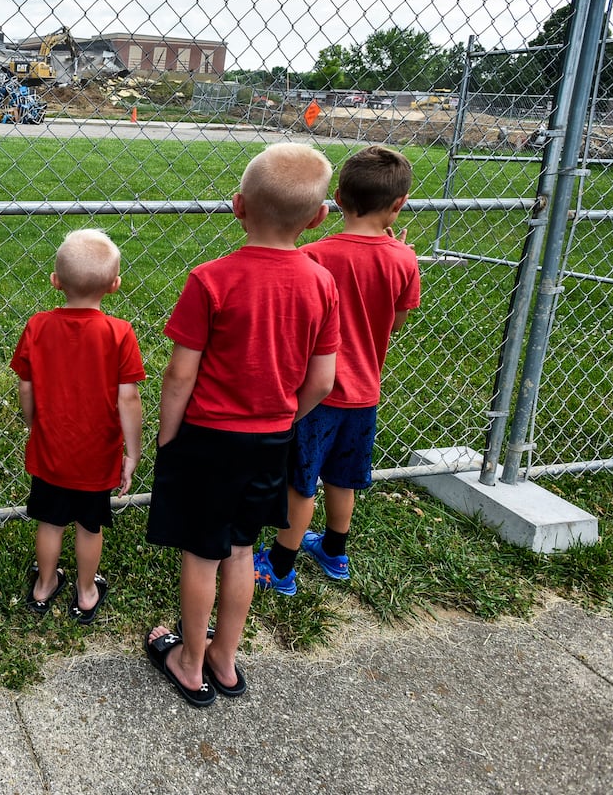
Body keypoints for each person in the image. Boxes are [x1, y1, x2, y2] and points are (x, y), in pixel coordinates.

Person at [142, 142, 339, 707]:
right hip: (270, 440)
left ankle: (188, 660)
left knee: (202, 553)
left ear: (237, 207)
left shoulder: (211, 280)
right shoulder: (321, 283)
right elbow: (323, 381)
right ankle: (225, 658)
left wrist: (169, 435)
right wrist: (281, 417)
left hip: (207, 438)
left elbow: (180, 375)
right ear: (319, 218)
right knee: (240, 550)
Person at [255, 145, 420, 594]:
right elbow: (398, 320)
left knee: (301, 483)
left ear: (338, 199)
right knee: (342, 477)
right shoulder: (405, 259)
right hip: (365, 392)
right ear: (398, 205)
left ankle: (281, 567)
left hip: (317, 392)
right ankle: (334, 551)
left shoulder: (314, 255)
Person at [9, 228, 145, 624]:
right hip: (97, 454)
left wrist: (35, 423)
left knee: (50, 522)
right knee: (89, 525)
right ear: (114, 285)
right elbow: (129, 398)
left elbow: (25, 383)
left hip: (51, 448)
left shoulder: (38, 326)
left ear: (56, 282)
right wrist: (132, 453)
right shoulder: (120, 333)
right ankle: (86, 593)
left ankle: (44, 586)